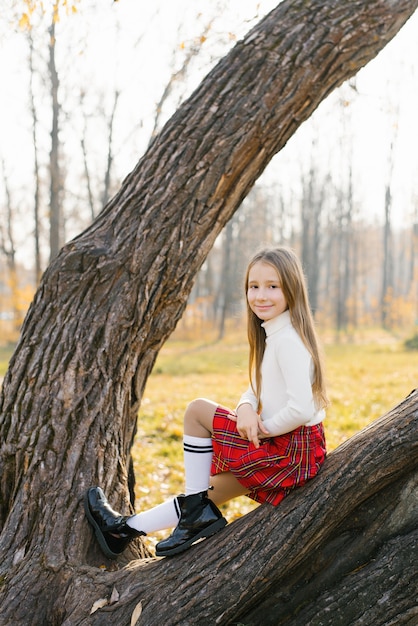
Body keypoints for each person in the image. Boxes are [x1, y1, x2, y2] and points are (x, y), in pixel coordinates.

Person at [85, 246, 328, 558]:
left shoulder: (288, 342)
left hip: (291, 450)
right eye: (254, 286)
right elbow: (256, 388)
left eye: (273, 286)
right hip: (292, 447)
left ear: (292, 290)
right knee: (206, 490)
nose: (261, 295)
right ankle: (122, 531)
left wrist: (262, 429)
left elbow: (302, 409)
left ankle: (192, 513)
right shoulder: (274, 335)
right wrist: (244, 409)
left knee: (197, 411)